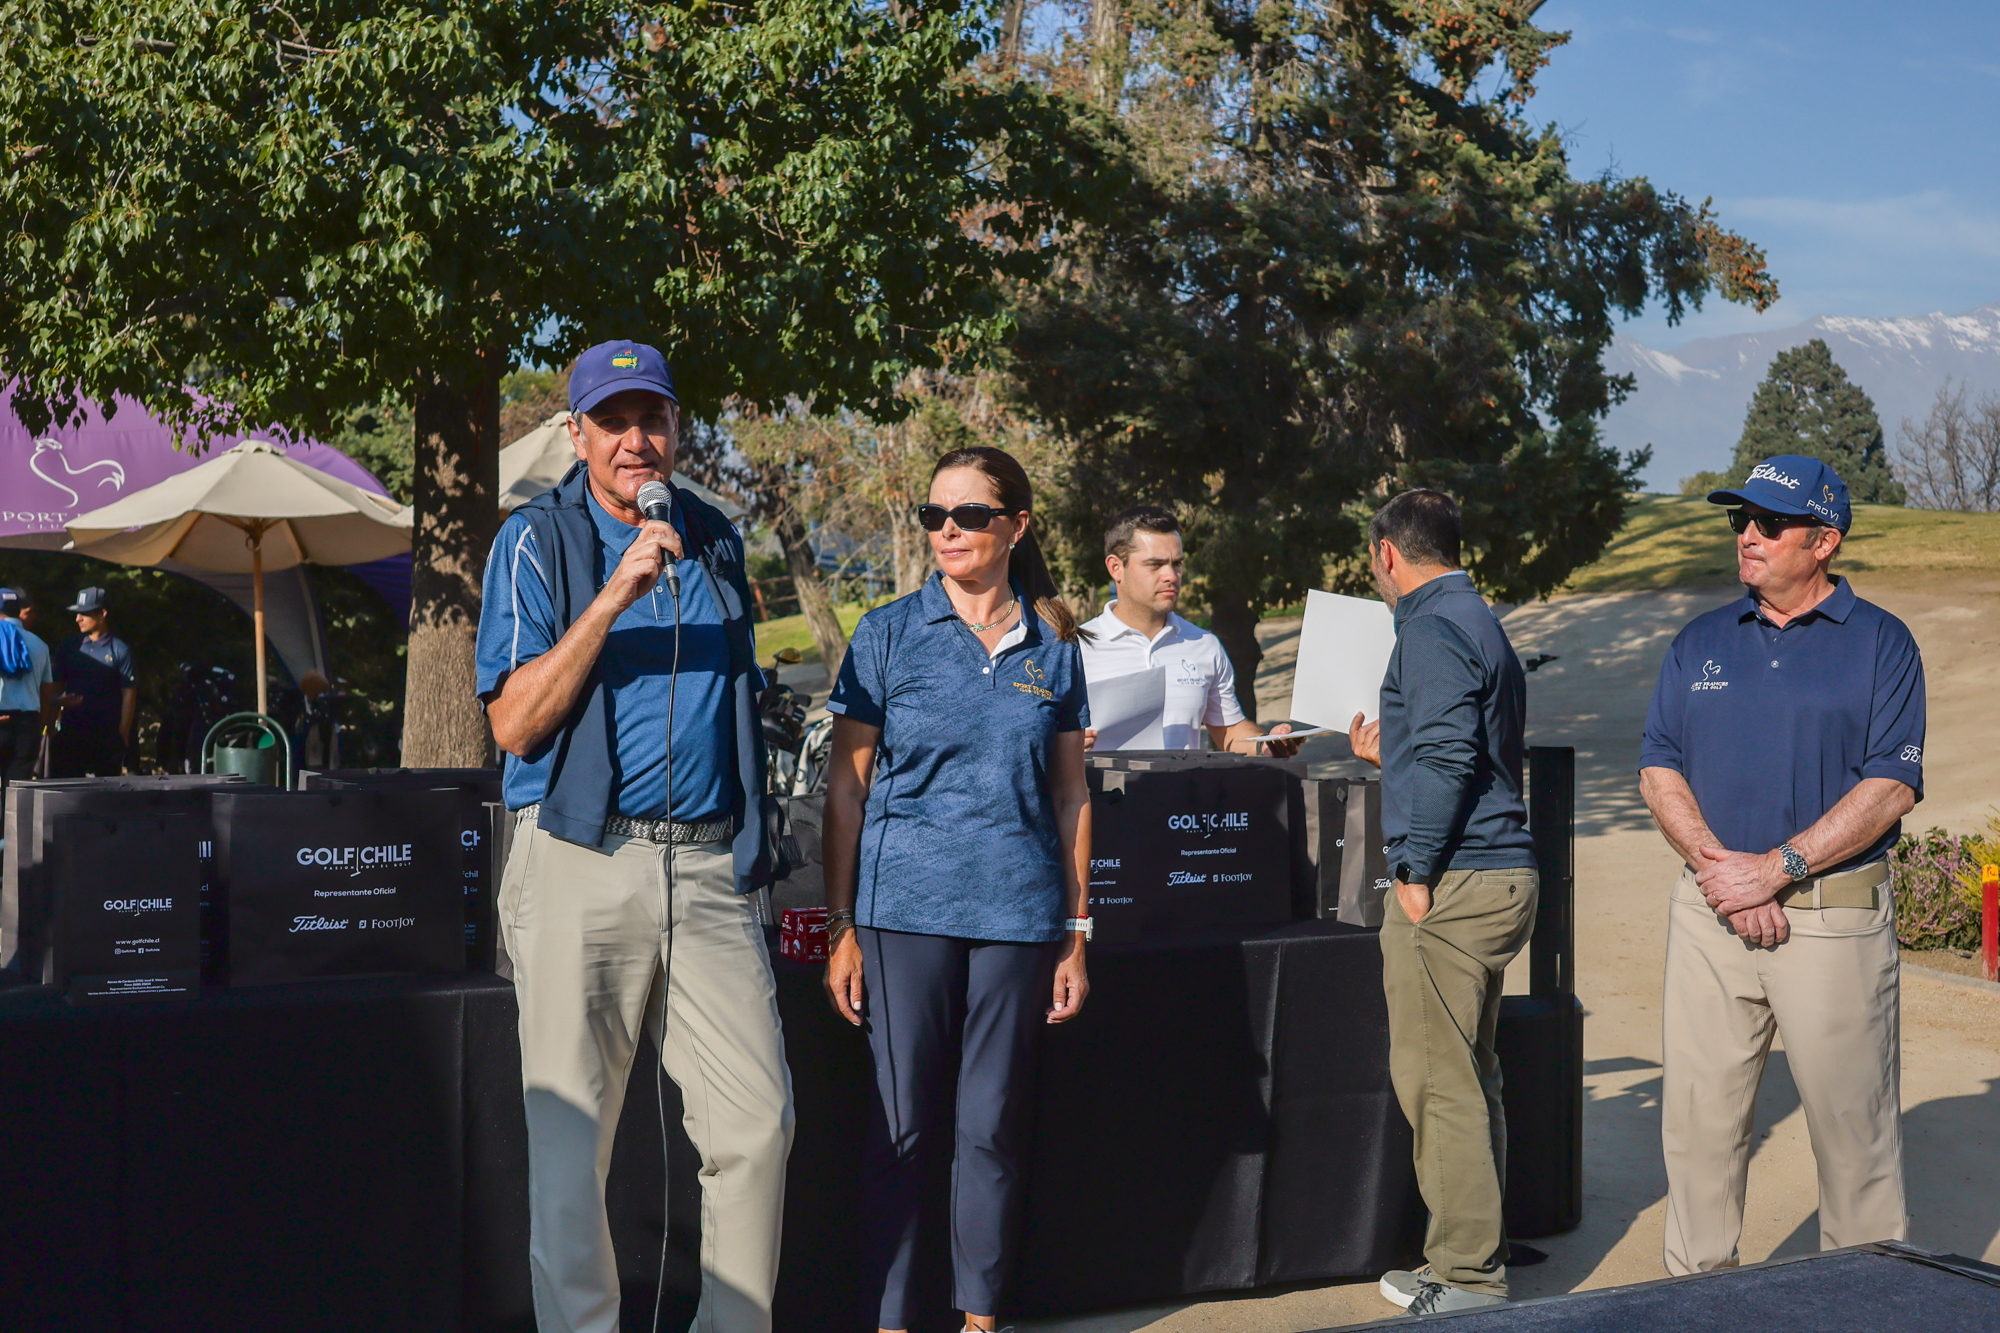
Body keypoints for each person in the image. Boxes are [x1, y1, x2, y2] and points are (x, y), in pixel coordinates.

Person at [475, 340, 793, 1333]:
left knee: (758, 1126)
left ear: (676, 427)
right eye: (611, 422)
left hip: (707, 864)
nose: (635, 440)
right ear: (577, 435)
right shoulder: (535, 539)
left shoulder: (714, 535)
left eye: (651, 418)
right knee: (573, 1142)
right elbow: (514, 723)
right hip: (582, 858)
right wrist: (616, 593)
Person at [821, 445, 1094, 1333]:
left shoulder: (1055, 644)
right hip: (902, 913)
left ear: (1016, 525)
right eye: (934, 514)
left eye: (969, 514)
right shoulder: (885, 632)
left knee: (992, 1129)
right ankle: (892, 1320)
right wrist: (842, 924)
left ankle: (980, 1319)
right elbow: (846, 790)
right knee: (901, 1131)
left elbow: (1071, 795)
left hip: (1019, 915)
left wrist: (1076, 932)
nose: (947, 529)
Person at [1639, 455, 1922, 1275]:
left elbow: (1891, 785)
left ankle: (1862, 1312)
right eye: (1741, 520)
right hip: (1710, 915)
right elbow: (1659, 768)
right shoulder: (1699, 640)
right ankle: (1697, 1309)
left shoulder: (1882, 643)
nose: (1748, 536)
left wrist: (1778, 868)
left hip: (1831, 921)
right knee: (1698, 1132)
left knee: (1855, 1146)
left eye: (1769, 522)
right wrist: (1727, 876)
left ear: (1824, 540)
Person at [1346, 489, 1539, 1316]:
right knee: (1471, 1074)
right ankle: (1474, 1254)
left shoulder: (1429, 626)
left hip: (1456, 879)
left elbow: (1453, 757)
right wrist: (1392, 759)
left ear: (1387, 553)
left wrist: (1412, 868)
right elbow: (1460, 748)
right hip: (1492, 872)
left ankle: (1466, 1278)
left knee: (1439, 1083)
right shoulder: (1476, 617)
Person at [1078, 505, 1298, 756]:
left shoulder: (1204, 644)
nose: (1171, 576)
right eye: (1155, 564)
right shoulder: (1075, 648)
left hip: (1186, 783)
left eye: (1177, 564)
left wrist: (1266, 745)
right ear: (1116, 567)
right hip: (1104, 784)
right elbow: (1048, 737)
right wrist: (1061, 743)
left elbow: (1228, 730)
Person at [51, 586, 135, 778]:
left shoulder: (119, 650)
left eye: (84, 614)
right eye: (77, 614)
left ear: (102, 614)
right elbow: (56, 688)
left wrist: (123, 733)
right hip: (72, 731)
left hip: (106, 733)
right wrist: (50, 727)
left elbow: (129, 694)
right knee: (68, 787)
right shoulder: (69, 647)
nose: (78, 619)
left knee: (106, 790)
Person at [0, 588, 55, 788]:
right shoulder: (40, 644)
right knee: (17, 793)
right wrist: (39, 727)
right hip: (28, 724)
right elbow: (46, 691)